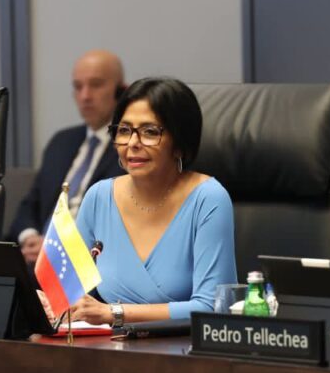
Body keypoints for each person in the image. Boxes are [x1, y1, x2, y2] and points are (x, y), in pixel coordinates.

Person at [68, 76, 237, 326]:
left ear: (179, 143)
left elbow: (212, 307)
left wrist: (114, 314)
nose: (133, 144)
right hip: (109, 349)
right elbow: (70, 292)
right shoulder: (98, 197)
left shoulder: (208, 199)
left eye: (149, 132)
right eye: (124, 131)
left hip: (184, 353)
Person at [8, 49, 126, 264]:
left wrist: (57, 246)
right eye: (78, 87)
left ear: (121, 91)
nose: (85, 96)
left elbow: (118, 225)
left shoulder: (130, 149)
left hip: (88, 262)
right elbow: (30, 205)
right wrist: (31, 237)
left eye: (96, 84)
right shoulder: (61, 142)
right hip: (36, 259)